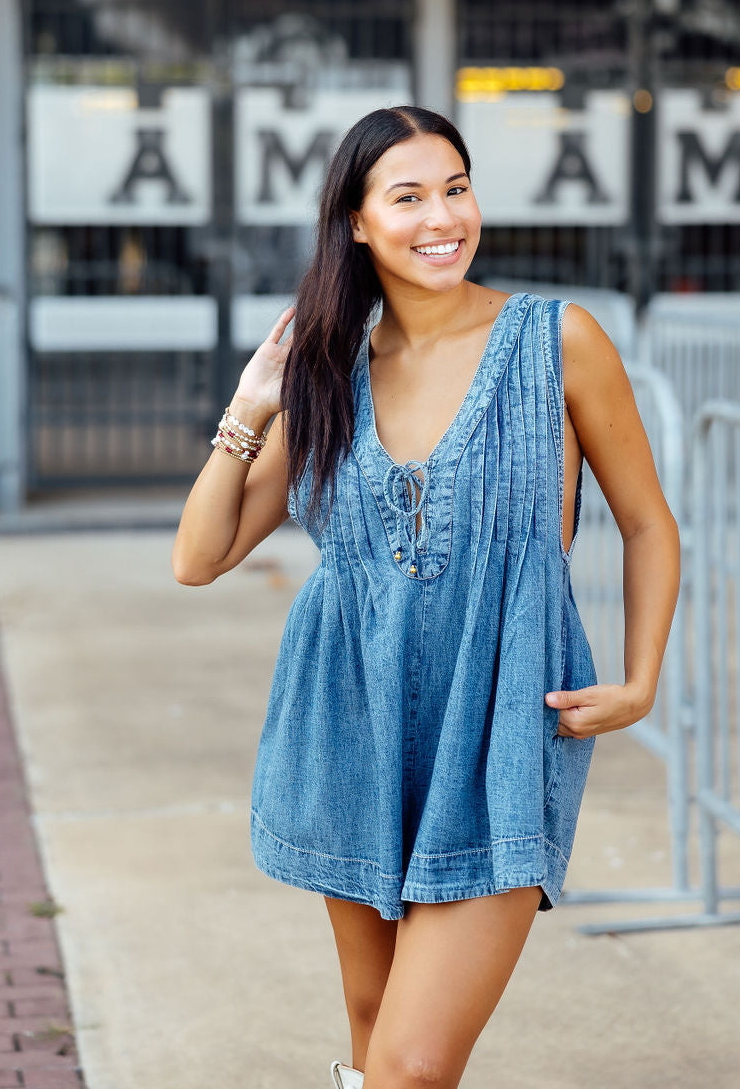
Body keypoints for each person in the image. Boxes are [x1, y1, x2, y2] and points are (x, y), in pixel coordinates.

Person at [172, 104, 680, 1089]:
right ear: (357, 222)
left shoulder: (556, 341)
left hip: (495, 734)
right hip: (346, 734)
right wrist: (250, 404)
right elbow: (200, 556)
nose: (441, 216)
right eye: (407, 196)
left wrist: (639, 682)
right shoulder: (330, 378)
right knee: (371, 1034)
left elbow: (650, 522)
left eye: (454, 187)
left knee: (409, 1064)